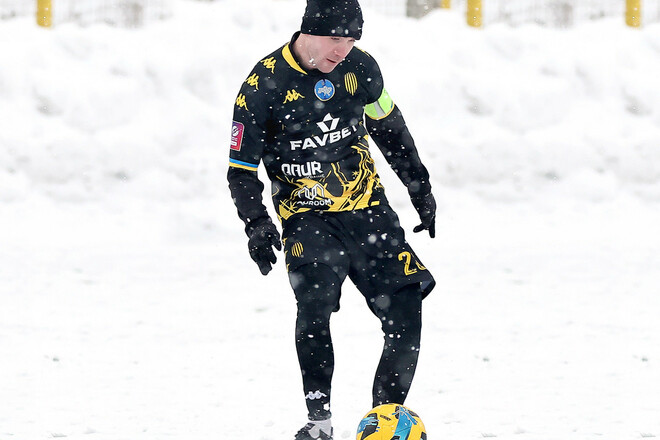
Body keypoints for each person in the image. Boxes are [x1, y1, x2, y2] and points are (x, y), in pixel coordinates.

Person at [227, 1, 436, 438]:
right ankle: (319, 423)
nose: (342, 49)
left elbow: (389, 127)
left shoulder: (361, 68)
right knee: (315, 304)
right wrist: (257, 223)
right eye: (334, 38)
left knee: (406, 306)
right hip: (308, 217)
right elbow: (241, 169)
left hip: (368, 210)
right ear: (308, 31)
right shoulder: (263, 84)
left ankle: (385, 420)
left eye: (352, 39)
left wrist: (419, 185)